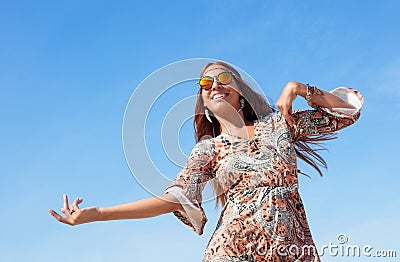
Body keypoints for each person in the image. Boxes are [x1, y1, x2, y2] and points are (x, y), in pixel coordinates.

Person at [49, 61, 364, 261]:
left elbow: (347, 112)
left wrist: (300, 88)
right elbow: (174, 199)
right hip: (233, 251)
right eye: (205, 84)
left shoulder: (280, 125)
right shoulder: (207, 150)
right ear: (204, 103)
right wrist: (99, 214)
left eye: (223, 78)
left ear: (240, 92)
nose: (214, 85)